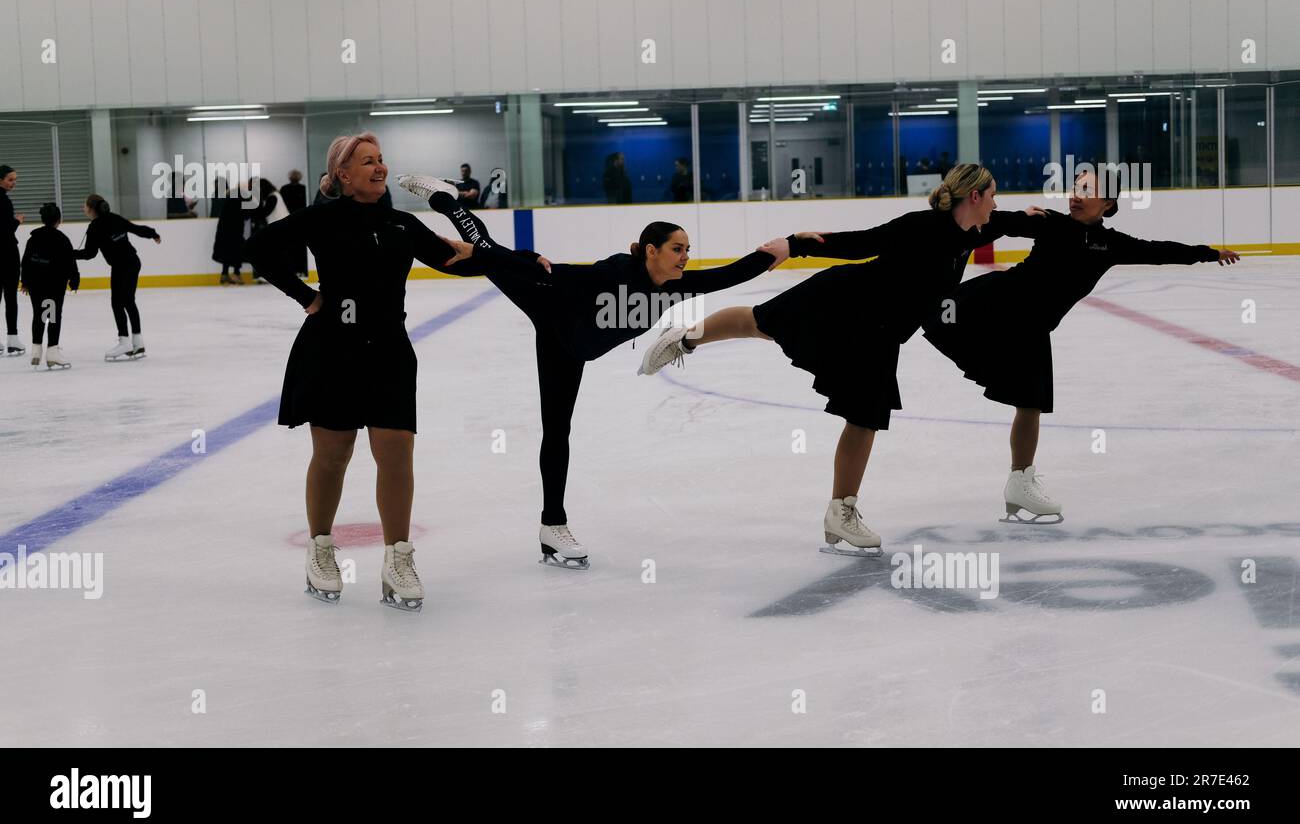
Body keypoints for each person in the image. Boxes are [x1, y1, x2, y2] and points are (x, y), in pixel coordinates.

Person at [638, 164, 1041, 555]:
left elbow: (1010, 222)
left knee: (865, 417)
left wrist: (1038, 219)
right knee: (758, 323)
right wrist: (794, 245)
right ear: (974, 196)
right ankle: (685, 340)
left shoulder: (975, 228)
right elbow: (861, 242)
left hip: (880, 335)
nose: (995, 203)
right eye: (992, 196)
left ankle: (840, 512)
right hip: (843, 302)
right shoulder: (922, 227)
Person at [399, 172, 787, 570]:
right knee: (484, 248)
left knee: (558, 429)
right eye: (677, 248)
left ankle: (551, 528)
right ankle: (446, 200)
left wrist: (781, 250)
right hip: (546, 303)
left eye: (687, 248)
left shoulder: (675, 286)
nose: (685, 256)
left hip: (572, 349)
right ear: (651, 250)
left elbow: (729, 275)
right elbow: (557, 274)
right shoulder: (616, 273)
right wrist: (502, 259)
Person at [245, 134, 529, 610]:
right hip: (332, 349)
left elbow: (452, 261)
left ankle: (398, 558)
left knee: (396, 453)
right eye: (367, 161)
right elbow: (259, 248)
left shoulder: (401, 224)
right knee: (333, 455)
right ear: (343, 175)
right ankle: (320, 548)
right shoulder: (319, 219)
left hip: (390, 351)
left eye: (381, 160)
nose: (379, 167)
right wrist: (307, 297)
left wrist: (516, 260)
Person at [921, 168, 1241, 523]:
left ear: (1107, 203)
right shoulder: (1051, 224)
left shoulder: (1111, 245)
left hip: (1030, 329)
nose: (1075, 195)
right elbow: (998, 223)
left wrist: (1208, 253)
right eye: (1074, 188)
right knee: (937, 318)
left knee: (1031, 404)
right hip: (995, 306)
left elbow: (1158, 251)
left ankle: (1020, 481)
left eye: (1086, 190)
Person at [74, 195, 160, 361]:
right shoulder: (115, 218)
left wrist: (67, 254)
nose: (83, 209)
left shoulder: (94, 227)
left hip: (121, 267)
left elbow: (88, 254)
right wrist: (153, 234)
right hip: (133, 262)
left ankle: (125, 341)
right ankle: (137, 340)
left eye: (85, 206)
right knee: (128, 301)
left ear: (92, 209)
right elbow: (136, 229)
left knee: (117, 303)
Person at [20, 202, 79, 370]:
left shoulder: (33, 238)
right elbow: (70, 262)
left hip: (36, 284)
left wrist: (24, 281)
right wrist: (74, 280)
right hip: (53, 285)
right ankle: (52, 351)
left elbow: (25, 262)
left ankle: (36, 350)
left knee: (39, 314)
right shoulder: (61, 239)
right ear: (58, 220)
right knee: (52, 315)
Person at [0, 164, 25, 356]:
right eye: (10, 180)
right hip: (7, 255)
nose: (13, 183)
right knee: (10, 297)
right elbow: (6, 231)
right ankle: (13, 339)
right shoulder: (5, 202)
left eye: (15, 180)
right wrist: (17, 221)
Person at [212, 179, 248, 284]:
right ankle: (236, 274)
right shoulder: (241, 198)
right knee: (236, 251)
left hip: (224, 229)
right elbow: (245, 215)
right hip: (235, 229)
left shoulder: (228, 197)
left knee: (226, 251)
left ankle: (224, 274)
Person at [279, 170, 309, 277]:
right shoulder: (303, 188)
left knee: (294, 247)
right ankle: (299, 269)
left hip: (292, 220)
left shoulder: (285, 189)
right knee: (296, 247)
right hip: (298, 220)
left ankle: (296, 269)